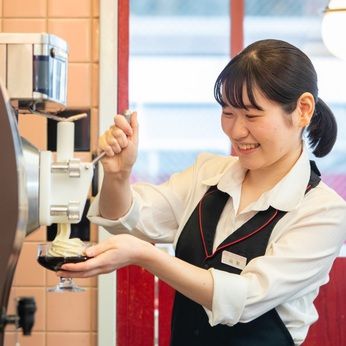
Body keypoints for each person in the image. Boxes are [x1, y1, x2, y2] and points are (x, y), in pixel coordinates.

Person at [59, 39, 346, 345]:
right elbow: (128, 218)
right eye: (228, 112)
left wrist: (147, 256)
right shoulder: (208, 174)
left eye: (251, 116)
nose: (236, 131)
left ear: (302, 110)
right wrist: (118, 175)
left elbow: (245, 298)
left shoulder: (324, 212)